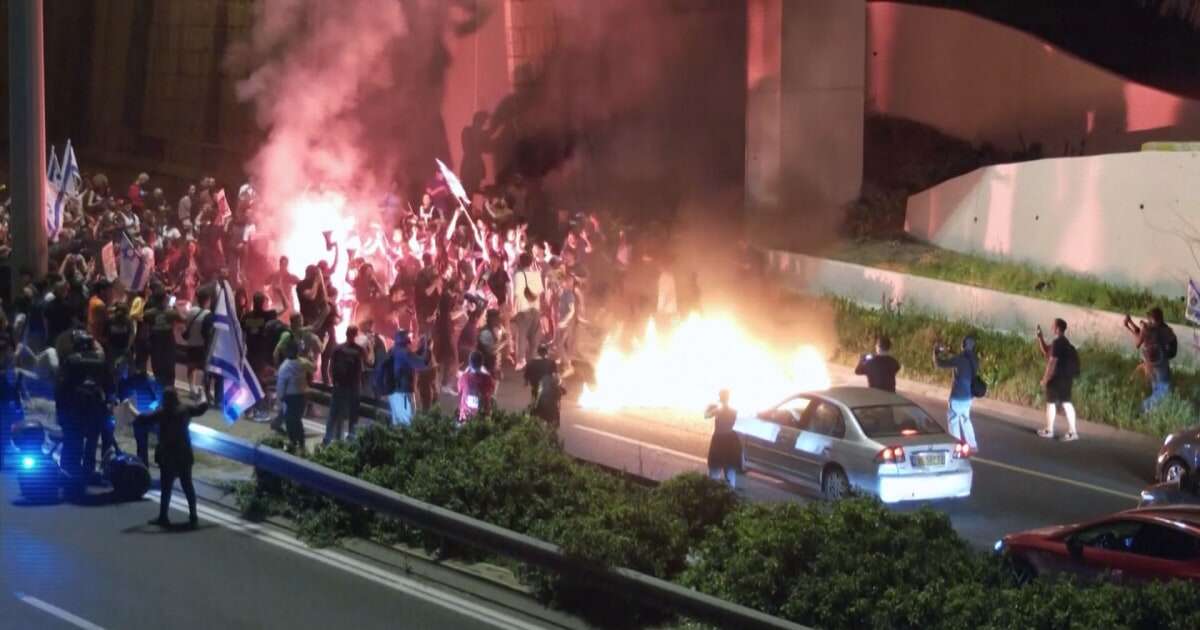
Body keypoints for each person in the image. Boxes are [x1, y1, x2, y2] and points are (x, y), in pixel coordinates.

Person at [132, 390, 208, 529]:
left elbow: (142, 418)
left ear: (166, 399)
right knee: (187, 485)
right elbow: (202, 407)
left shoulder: (163, 412)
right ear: (177, 397)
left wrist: (129, 407)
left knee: (166, 486)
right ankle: (193, 516)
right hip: (184, 453)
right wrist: (202, 393)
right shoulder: (185, 409)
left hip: (168, 455)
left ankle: (163, 516)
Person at [1124, 307, 1175, 412]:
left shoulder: (1148, 331)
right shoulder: (1166, 330)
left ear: (1154, 319)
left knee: (1158, 389)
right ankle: (1144, 409)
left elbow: (1139, 340)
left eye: (1149, 319)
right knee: (1161, 387)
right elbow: (1172, 345)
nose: (1147, 321)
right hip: (1161, 366)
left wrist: (1129, 325)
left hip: (1153, 367)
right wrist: (1131, 324)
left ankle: (1143, 411)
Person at [933, 336, 980, 451]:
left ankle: (956, 446)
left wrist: (935, 352)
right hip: (968, 396)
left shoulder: (959, 359)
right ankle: (972, 445)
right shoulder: (975, 360)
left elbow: (939, 364)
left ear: (963, 345)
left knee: (953, 421)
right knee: (965, 419)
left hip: (957, 396)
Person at [1036, 319, 1080, 441]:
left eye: (1053, 325)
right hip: (1066, 377)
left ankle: (1049, 430)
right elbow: (1046, 351)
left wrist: (1045, 378)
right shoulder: (1064, 343)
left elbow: (1052, 362)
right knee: (1066, 402)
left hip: (1058, 378)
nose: (1051, 327)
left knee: (1051, 402)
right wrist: (1040, 337)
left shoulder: (1058, 343)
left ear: (1057, 328)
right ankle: (1072, 432)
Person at [376, 330, 429, 426]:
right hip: (403, 394)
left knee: (397, 423)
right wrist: (427, 347)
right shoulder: (405, 353)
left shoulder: (394, 350)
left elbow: (414, 357)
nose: (411, 338)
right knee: (406, 424)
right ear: (405, 339)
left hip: (394, 393)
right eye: (409, 336)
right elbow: (422, 364)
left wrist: (421, 347)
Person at [325, 326, 366, 445]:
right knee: (353, 415)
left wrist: (333, 381)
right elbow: (369, 362)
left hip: (339, 385)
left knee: (335, 413)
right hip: (353, 386)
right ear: (356, 335)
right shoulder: (359, 350)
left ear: (346, 333)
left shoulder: (338, 348)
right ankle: (350, 440)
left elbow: (331, 367)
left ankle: (330, 439)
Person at [276, 344, 314, 452]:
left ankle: (294, 441)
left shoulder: (284, 367)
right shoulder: (303, 362)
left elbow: (281, 384)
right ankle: (300, 442)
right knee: (297, 419)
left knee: (290, 420)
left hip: (291, 397)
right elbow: (313, 369)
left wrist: (280, 398)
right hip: (302, 395)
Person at [511, 253, 543, 371]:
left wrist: (514, 309)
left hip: (523, 309)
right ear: (531, 262)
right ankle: (533, 358)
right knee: (534, 335)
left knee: (522, 335)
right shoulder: (537, 275)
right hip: (536, 308)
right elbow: (540, 293)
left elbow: (517, 294)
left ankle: (521, 360)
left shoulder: (519, 275)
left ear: (520, 262)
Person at [705, 389, 741, 489]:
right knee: (730, 468)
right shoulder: (734, 411)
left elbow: (706, 415)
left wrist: (709, 407)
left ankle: (713, 491)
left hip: (718, 440)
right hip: (730, 440)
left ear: (720, 398)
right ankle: (730, 493)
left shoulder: (717, 411)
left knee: (715, 468)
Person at [456, 351, 495, 423]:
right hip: (483, 415)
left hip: (466, 415)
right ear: (482, 363)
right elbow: (492, 391)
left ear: (470, 363)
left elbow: (459, 391)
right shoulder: (488, 379)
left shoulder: (464, 378)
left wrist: (465, 373)